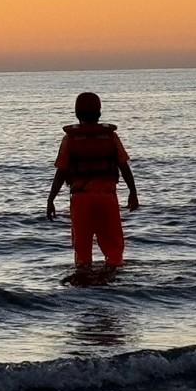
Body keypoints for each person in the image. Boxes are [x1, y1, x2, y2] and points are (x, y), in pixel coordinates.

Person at [47, 92, 139, 271]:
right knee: (114, 249)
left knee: (82, 251)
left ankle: (84, 287)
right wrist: (133, 193)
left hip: (81, 199)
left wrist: (51, 200)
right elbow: (124, 167)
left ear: (76, 113)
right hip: (107, 198)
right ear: (99, 113)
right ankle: (113, 283)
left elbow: (61, 172)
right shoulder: (111, 137)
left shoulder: (70, 139)